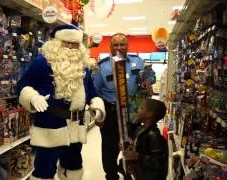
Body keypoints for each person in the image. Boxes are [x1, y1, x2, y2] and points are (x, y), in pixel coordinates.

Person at [17, 24, 106, 180]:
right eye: (67, 43)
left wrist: (96, 105)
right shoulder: (41, 63)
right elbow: (23, 84)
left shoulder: (84, 67)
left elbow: (91, 91)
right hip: (50, 125)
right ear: (56, 43)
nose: (71, 47)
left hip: (75, 126)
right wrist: (32, 97)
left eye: (75, 44)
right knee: (44, 169)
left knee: (73, 166)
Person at [92, 33, 156, 180]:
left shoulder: (138, 61)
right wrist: (97, 114)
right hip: (111, 113)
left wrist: (148, 80)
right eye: (116, 45)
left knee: (133, 145)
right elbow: (94, 93)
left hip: (133, 112)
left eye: (122, 44)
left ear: (127, 46)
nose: (119, 48)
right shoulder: (102, 67)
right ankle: (111, 175)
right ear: (110, 47)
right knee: (110, 148)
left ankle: (130, 173)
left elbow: (150, 74)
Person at [123, 99, 168, 180]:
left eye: (141, 108)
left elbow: (159, 163)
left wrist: (137, 157)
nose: (137, 109)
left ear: (149, 114)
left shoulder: (155, 137)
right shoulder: (142, 129)